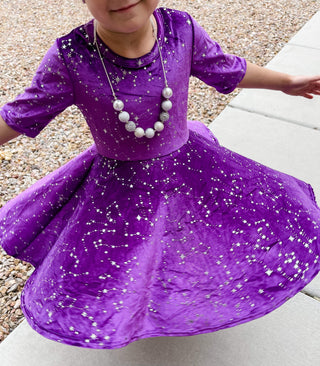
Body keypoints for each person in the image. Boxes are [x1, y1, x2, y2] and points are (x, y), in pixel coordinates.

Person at [1, 0, 320, 349]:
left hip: (189, 164)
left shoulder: (181, 30)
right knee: (130, 253)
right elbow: (20, 113)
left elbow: (226, 68)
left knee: (203, 230)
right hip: (121, 184)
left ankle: (190, 288)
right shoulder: (72, 57)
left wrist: (285, 81)